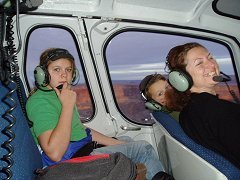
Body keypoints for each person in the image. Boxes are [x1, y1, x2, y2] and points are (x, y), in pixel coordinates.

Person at [26, 48, 174, 180]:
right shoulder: (40, 102)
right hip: (68, 164)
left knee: (128, 139)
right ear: (43, 74)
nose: (64, 75)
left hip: (80, 150)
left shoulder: (61, 95)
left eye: (69, 70)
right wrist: (67, 106)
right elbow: (55, 153)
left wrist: (119, 143)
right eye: (57, 69)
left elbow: (81, 131)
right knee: (144, 149)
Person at [165, 42, 240, 169]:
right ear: (182, 78)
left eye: (210, 57)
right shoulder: (220, 111)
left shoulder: (187, 112)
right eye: (199, 63)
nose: (212, 64)